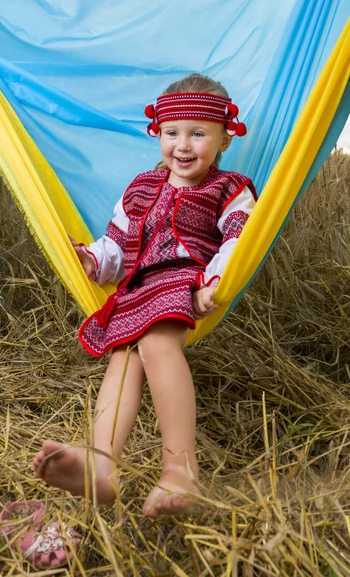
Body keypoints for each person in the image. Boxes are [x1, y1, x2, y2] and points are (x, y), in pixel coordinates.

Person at [33, 74, 257, 517]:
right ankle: (100, 464)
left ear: (224, 139)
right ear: (159, 134)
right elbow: (117, 241)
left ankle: (180, 470)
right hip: (137, 290)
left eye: (198, 133)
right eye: (173, 133)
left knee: (155, 343)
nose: (183, 145)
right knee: (124, 357)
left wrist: (215, 282)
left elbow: (239, 239)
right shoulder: (141, 187)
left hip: (185, 284)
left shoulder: (229, 189)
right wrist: (93, 261)